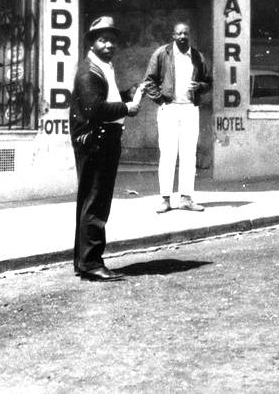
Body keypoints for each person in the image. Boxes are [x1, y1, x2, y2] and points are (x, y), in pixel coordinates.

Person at [69, 16, 144, 282]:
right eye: (103, 39)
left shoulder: (102, 67)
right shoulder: (89, 71)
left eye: (112, 39)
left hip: (101, 140)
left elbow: (105, 99)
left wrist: (127, 94)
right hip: (98, 142)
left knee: (90, 200)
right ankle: (91, 263)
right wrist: (127, 107)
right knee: (96, 203)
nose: (109, 44)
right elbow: (96, 109)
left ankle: (84, 261)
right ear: (92, 43)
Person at [143, 22, 212, 214]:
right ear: (173, 35)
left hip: (190, 109)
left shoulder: (198, 56)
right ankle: (165, 199)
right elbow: (149, 80)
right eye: (179, 33)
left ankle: (186, 198)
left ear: (190, 35)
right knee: (168, 153)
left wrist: (200, 87)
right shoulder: (162, 54)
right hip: (169, 109)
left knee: (189, 154)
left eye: (186, 33)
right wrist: (161, 99)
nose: (183, 36)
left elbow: (208, 81)